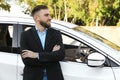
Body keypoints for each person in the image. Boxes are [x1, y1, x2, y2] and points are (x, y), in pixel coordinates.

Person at [20, 5, 65, 80]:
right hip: (33, 77)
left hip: (54, 76)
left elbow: (60, 55)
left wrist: (37, 55)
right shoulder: (25, 35)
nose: (50, 18)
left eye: (49, 15)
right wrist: (51, 55)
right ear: (37, 18)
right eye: (46, 15)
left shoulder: (56, 33)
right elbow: (27, 61)